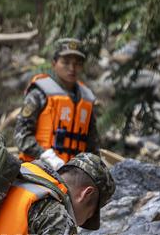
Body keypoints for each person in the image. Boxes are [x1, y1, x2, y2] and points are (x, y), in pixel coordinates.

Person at [14, 38, 99, 170]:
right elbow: (21, 136)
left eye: (77, 64)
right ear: (54, 63)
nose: (72, 68)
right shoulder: (39, 93)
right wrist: (46, 156)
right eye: (65, 62)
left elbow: (92, 145)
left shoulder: (87, 99)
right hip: (37, 169)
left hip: (74, 174)